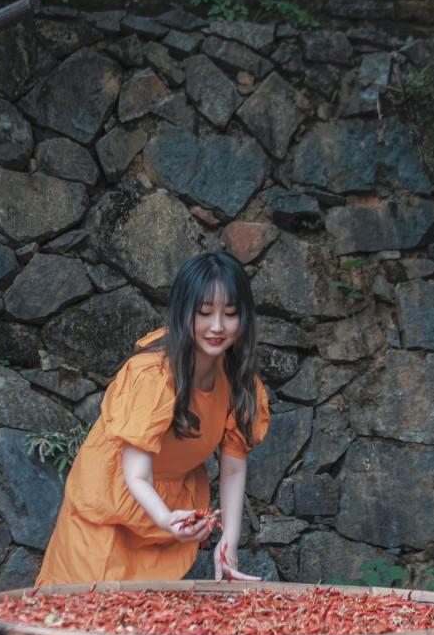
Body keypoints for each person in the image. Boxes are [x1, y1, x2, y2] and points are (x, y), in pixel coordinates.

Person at [34, 251, 271, 585]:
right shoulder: (152, 376)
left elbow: (233, 465)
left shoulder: (240, 384)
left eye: (230, 315)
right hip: (112, 502)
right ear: (182, 313)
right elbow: (136, 474)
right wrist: (165, 518)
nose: (217, 327)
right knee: (83, 610)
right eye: (204, 313)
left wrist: (228, 542)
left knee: (144, 619)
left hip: (167, 507)